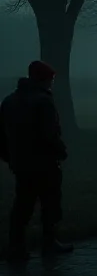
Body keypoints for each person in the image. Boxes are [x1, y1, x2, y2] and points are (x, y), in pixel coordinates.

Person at [0, 61, 73, 261]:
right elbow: (49, 134)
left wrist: (10, 157)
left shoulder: (9, 101)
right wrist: (61, 151)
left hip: (21, 163)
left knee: (22, 204)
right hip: (45, 163)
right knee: (50, 204)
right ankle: (49, 243)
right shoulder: (43, 101)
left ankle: (16, 246)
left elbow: (2, 135)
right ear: (44, 79)